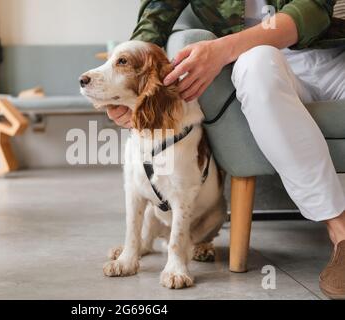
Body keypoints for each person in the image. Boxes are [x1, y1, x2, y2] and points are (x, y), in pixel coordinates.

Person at [107, 0, 345, 299]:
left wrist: (223, 48)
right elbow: (156, 16)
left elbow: (311, 9)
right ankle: (341, 234)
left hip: (335, 55)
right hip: (261, 65)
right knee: (256, 62)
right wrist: (132, 87)